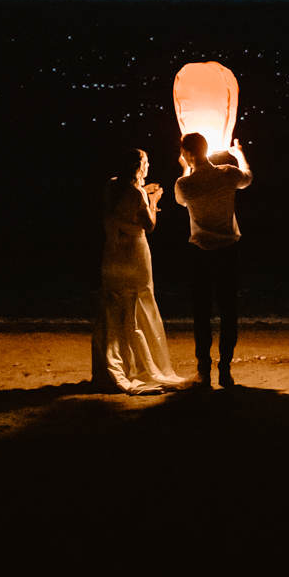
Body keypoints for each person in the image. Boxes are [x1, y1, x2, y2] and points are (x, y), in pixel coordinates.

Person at [91, 148, 188, 394]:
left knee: (114, 305)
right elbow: (149, 225)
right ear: (139, 166)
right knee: (139, 302)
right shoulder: (136, 194)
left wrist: (144, 194)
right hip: (134, 252)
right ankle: (142, 366)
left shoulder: (112, 185)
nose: (148, 166)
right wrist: (153, 201)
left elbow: (118, 211)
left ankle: (114, 363)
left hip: (113, 253)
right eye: (145, 162)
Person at [174, 132, 252, 387]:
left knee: (201, 313)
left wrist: (186, 168)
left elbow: (180, 200)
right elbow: (248, 178)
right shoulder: (227, 173)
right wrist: (239, 155)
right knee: (229, 311)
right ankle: (225, 369)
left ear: (187, 153)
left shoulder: (184, 184)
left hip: (200, 253)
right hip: (228, 250)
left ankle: (204, 370)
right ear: (207, 150)